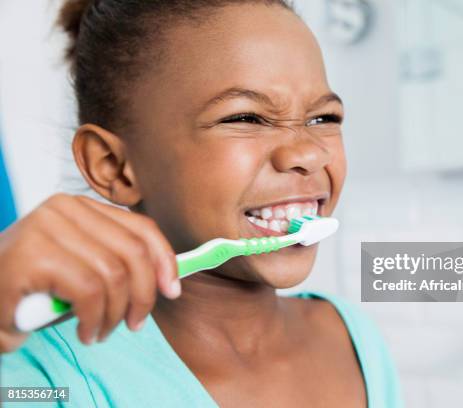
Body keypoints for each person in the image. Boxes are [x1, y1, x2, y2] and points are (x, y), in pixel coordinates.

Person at [0, 1, 403, 406]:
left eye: (323, 119)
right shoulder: (44, 376)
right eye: (244, 118)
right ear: (114, 166)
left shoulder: (353, 337)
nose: (309, 153)